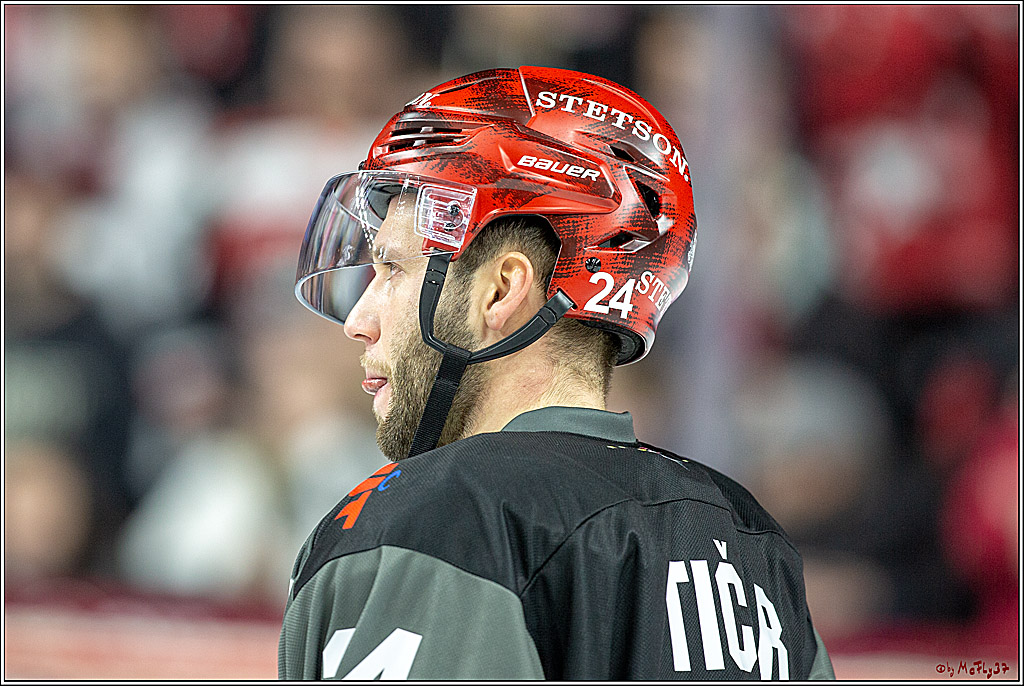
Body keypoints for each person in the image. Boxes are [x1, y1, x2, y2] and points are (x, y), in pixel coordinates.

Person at [278, 66, 835, 680]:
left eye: (390, 270)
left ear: (501, 291)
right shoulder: (753, 545)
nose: (359, 319)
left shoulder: (431, 518)